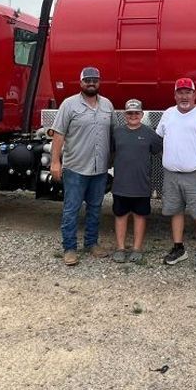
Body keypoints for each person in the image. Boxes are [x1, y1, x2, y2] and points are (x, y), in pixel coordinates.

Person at [50, 66, 114, 266]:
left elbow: (112, 136)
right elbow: (58, 134)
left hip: (99, 168)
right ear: (81, 83)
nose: (91, 83)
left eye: (95, 80)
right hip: (75, 167)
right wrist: (55, 162)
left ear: (99, 82)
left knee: (95, 207)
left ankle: (91, 243)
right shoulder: (69, 105)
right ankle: (69, 248)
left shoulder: (107, 105)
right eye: (87, 80)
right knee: (71, 209)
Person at [157, 77, 196, 273]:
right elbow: (159, 138)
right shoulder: (168, 114)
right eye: (180, 92)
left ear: (194, 95)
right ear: (175, 95)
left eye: (188, 92)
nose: (184, 96)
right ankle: (179, 248)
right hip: (171, 174)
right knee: (175, 211)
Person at [111, 99, 163, 264]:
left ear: (141, 114)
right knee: (120, 216)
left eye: (136, 113)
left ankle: (137, 248)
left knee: (140, 217)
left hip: (141, 186)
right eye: (129, 113)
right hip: (120, 186)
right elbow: (111, 152)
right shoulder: (117, 132)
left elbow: (157, 150)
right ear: (124, 115)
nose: (133, 116)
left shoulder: (149, 133)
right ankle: (120, 248)